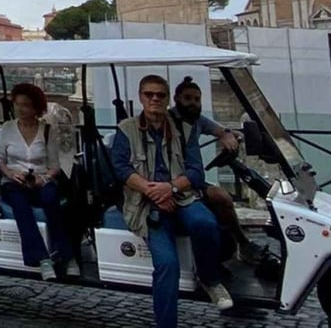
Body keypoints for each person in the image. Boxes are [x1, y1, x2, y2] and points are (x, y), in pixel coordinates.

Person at [112, 74, 233, 328]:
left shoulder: (184, 129)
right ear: (141, 97)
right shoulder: (126, 129)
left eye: (160, 95)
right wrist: (152, 191)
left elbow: (196, 172)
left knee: (206, 223)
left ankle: (209, 278)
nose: (154, 99)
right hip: (145, 203)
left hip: (181, 196)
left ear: (168, 99)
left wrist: (171, 188)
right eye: (149, 94)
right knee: (167, 265)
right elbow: (121, 168)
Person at [172, 76, 263, 265]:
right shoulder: (168, 121)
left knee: (222, 198)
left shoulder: (197, 120)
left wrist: (228, 135)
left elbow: (220, 130)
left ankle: (240, 243)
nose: (193, 103)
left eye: (197, 99)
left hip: (194, 179)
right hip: (175, 181)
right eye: (187, 98)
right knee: (214, 203)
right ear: (176, 99)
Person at [0, 82, 74, 280]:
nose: (21, 110)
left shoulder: (47, 130)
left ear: (35, 108)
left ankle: (67, 254)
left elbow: (55, 165)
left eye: (26, 105)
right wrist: (11, 173)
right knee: (20, 204)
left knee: (51, 199)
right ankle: (42, 258)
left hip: (40, 179)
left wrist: (43, 178)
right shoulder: (8, 128)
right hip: (13, 181)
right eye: (18, 104)